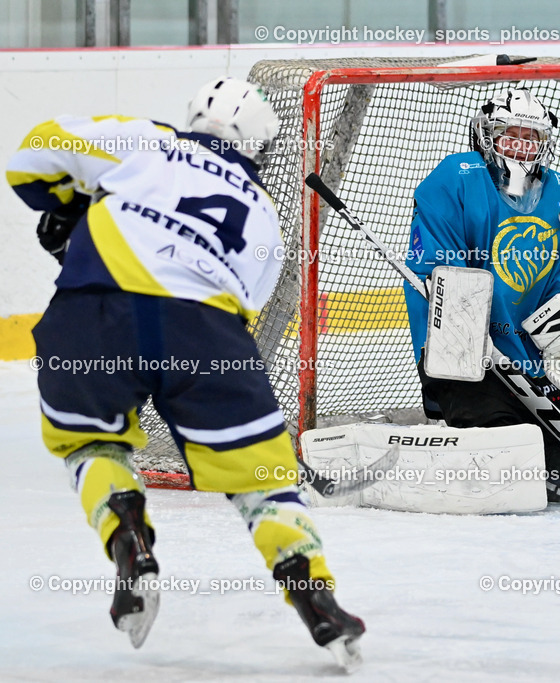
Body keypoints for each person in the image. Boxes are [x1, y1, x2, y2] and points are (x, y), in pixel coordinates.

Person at [6, 77, 364, 668]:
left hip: (91, 316)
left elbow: (31, 157)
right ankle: (316, 598)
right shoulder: (264, 212)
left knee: (91, 445)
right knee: (267, 479)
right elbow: (243, 307)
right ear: (258, 146)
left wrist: (76, 208)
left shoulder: (142, 140)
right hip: (202, 335)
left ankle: (129, 540)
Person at [402, 87, 560, 504]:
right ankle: (447, 404)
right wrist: (469, 332)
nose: (521, 146)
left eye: (531, 138)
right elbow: (439, 267)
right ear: (487, 137)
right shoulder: (455, 177)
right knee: (497, 427)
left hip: (525, 352)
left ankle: (549, 454)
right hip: (460, 351)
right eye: (510, 135)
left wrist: (559, 340)